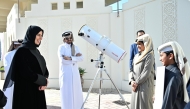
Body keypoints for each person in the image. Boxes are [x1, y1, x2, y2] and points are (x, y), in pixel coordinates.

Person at [3, 25, 49, 109]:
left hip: (38, 90)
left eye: (41, 35)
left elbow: (43, 67)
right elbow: (26, 72)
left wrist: (45, 80)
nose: (41, 38)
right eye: (38, 35)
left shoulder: (36, 51)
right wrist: (43, 81)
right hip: (26, 92)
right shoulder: (22, 51)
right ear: (31, 35)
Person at [157, 41, 190, 109]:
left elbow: (168, 103)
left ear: (170, 56)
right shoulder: (169, 71)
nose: (159, 59)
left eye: (161, 55)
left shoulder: (174, 75)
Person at [58, 31, 84, 109]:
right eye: (68, 38)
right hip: (66, 74)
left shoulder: (76, 47)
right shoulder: (61, 47)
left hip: (75, 73)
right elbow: (62, 60)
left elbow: (82, 58)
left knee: (76, 92)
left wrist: (70, 58)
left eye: (71, 38)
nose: (70, 40)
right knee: (66, 92)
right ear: (64, 39)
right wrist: (75, 58)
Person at [130, 34, 155, 109]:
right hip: (135, 86)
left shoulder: (149, 56)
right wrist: (131, 81)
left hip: (145, 86)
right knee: (135, 105)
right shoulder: (136, 56)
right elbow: (131, 70)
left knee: (144, 105)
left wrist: (136, 83)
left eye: (140, 44)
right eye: (137, 44)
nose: (137, 46)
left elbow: (146, 72)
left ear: (146, 44)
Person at [3, 39, 22, 109]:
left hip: (10, 81)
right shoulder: (23, 54)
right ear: (14, 45)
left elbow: (7, 69)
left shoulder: (8, 54)